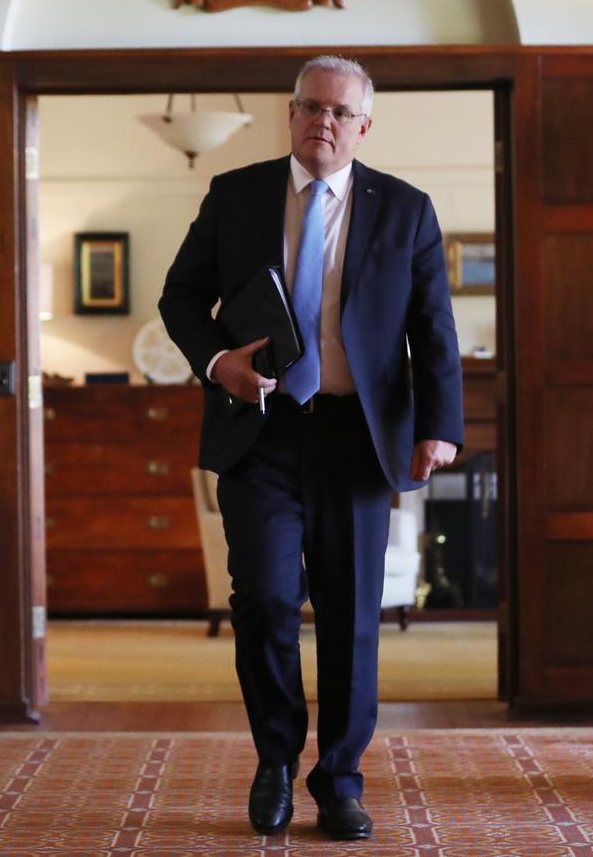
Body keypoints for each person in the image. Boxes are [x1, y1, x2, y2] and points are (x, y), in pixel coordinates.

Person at [159, 54, 463, 840]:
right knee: (263, 598)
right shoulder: (236, 195)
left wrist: (439, 425)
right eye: (308, 107)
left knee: (350, 613)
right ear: (289, 115)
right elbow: (181, 295)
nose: (321, 121)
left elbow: (433, 328)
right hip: (259, 431)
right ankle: (273, 761)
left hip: (356, 436)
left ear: (363, 126)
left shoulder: (406, 210)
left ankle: (340, 780)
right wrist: (217, 360)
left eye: (338, 111)